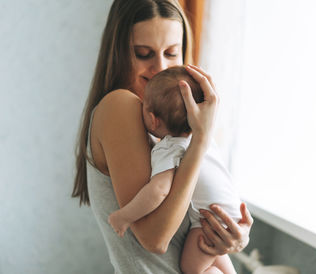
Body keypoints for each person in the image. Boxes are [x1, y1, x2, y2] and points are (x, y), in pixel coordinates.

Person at [71, 0, 253, 273]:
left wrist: (232, 238)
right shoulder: (120, 106)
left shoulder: (168, 130)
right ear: (118, 54)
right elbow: (155, 239)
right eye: (143, 54)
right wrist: (200, 140)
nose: (160, 68)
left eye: (171, 53)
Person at [108, 66, 242, 273]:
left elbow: (158, 191)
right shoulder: (205, 139)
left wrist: (124, 216)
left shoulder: (169, 147)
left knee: (192, 268)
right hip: (231, 213)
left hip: (210, 219)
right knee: (214, 257)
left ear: (153, 119)